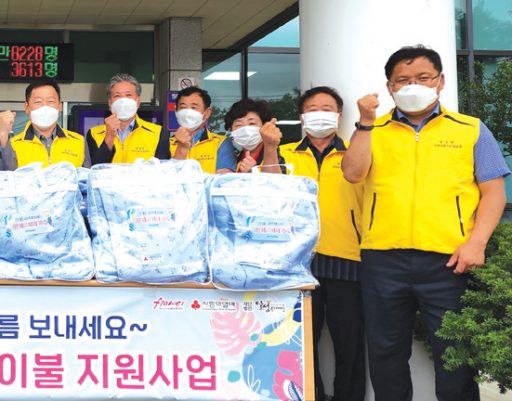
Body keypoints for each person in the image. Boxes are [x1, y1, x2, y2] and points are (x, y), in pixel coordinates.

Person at [342, 45, 509, 401]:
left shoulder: (471, 130)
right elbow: (353, 173)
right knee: (385, 353)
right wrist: (365, 123)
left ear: (440, 81)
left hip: (450, 260)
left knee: (454, 355)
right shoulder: (372, 130)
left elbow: (493, 193)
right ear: (389, 87)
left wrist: (476, 242)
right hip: (383, 259)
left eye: (422, 77)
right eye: (402, 80)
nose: (412, 86)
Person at [280, 86, 365, 401]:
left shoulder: (355, 153)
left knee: (349, 344)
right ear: (302, 117)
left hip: (347, 260)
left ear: (339, 116)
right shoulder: (284, 153)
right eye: (312, 109)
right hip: (297, 263)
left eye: (327, 109)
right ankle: (309, 395)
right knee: (300, 343)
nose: (319, 114)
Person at [0, 79, 91, 170]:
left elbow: (87, 179)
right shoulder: (13, 144)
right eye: (38, 102)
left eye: (51, 101)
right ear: (27, 107)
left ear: (60, 106)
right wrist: (3, 134)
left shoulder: (79, 142)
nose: (45, 107)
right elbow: (3, 174)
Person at [87, 73, 168, 165]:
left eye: (128, 95)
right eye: (117, 96)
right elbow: (95, 168)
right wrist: (109, 136)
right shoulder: (94, 133)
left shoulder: (158, 133)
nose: (123, 101)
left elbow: (163, 169)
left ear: (138, 102)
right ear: (110, 102)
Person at [214, 98, 283, 173]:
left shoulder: (282, 153)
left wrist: (254, 172)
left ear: (264, 126)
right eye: (238, 125)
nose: (245, 129)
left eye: (252, 123)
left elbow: (276, 179)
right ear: (231, 131)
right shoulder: (233, 159)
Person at [170, 86, 226, 173]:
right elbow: (166, 177)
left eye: (193, 107)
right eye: (183, 107)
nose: (188, 113)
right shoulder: (165, 144)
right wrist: (181, 150)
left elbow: (224, 178)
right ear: (176, 111)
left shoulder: (220, 143)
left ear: (207, 113)